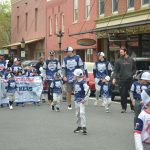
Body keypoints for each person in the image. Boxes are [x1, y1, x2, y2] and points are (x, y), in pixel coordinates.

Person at [112, 47, 136, 113]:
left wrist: (132, 74)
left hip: (130, 80)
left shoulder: (131, 60)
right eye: (120, 52)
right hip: (122, 80)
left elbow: (134, 69)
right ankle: (123, 108)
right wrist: (114, 78)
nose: (120, 53)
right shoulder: (118, 61)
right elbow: (115, 71)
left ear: (125, 52)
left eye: (122, 52)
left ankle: (133, 108)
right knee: (123, 95)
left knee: (132, 94)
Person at [73, 69, 90, 135]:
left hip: (82, 101)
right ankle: (79, 126)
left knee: (82, 113)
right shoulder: (76, 82)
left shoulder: (83, 82)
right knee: (77, 114)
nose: (73, 75)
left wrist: (85, 99)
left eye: (74, 75)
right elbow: (76, 90)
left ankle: (84, 127)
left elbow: (88, 90)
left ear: (77, 75)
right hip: (76, 100)